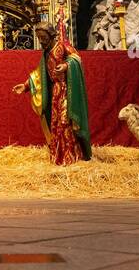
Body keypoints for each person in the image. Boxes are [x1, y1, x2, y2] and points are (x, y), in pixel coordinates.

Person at [12, 21, 92, 165]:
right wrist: (25, 86)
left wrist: (66, 65)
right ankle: (59, 157)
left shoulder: (62, 45)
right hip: (55, 91)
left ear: (51, 35)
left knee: (65, 122)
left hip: (67, 90)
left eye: (44, 38)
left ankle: (72, 156)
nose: (41, 41)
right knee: (55, 124)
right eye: (39, 38)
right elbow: (39, 74)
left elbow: (77, 59)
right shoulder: (46, 52)